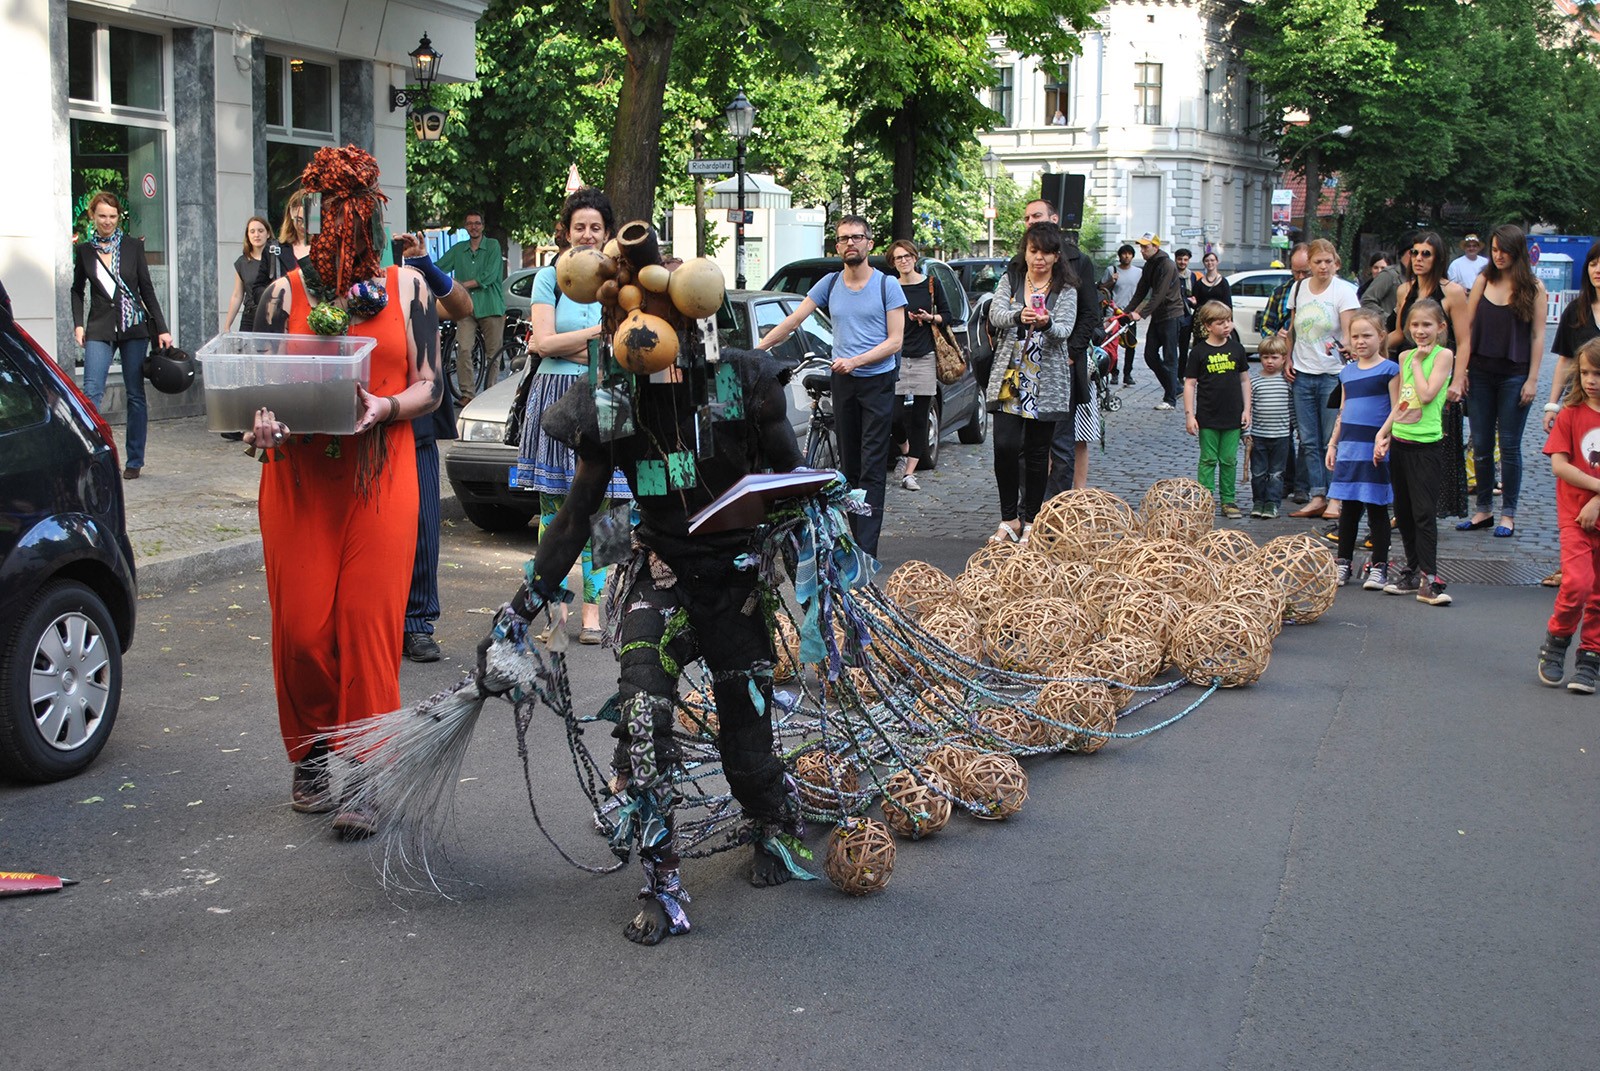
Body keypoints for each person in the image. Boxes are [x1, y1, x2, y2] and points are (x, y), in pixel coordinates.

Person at [498, 342, 811, 944]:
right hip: (660, 571)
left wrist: (793, 530)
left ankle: (773, 816)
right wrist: (520, 610)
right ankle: (661, 879)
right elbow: (575, 517)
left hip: (733, 578)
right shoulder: (615, 395)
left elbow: (793, 480)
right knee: (642, 715)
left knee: (746, 746)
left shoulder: (742, 381)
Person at [246, 145, 443, 835]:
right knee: (303, 630)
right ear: (319, 216)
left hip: (379, 475)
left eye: (358, 212)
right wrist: (257, 427)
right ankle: (311, 752)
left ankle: (364, 770)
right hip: (300, 481)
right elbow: (248, 394)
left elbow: (430, 383)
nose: (347, 226)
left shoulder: (408, 288)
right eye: (336, 213)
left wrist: (386, 408)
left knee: (366, 628)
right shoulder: (279, 294)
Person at [513, 188, 632, 644]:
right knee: (555, 504)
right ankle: (555, 610)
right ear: (566, 231)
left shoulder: (622, 279)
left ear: (607, 233)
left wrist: (581, 343)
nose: (586, 234)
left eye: (595, 228)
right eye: (579, 226)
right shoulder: (549, 277)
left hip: (609, 392)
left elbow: (630, 341)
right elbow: (543, 343)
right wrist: (601, 334)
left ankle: (596, 612)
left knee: (612, 508)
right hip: (558, 393)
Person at [757, 215, 905, 557]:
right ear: (837, 246)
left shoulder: (887, 286)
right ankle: (850, 540)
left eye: (856, 237)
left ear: (869, 242)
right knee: (849, 464)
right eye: (843, 239)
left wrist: (856, 360)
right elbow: (794, 320)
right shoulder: (830, 283)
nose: (850, 243)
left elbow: (895, 342)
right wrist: (757, 350)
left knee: (871, 464)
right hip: (844, 382)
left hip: (876, 381)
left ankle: (866, 548)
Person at [399, 234, 474, 663]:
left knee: (424, 522)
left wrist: (424, 264)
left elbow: (462, 307)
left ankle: (417, 622)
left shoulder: (411, 280)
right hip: (365, 421)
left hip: (417, 420)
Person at [70, 190, 173, 480]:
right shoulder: (85, 251)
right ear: (93, 215)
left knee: (135, 394)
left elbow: (146, 289)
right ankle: (92, 453)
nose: (107, 221)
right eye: (102, 215)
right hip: (100, 327)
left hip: (134, 327)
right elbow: (77, 290)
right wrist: (78, 324)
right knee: (91, 393)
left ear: (119, 217)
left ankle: (135, 459)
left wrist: (162, 328)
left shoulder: (131, 247)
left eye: (112, 216)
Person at [986, 221, 1077, 542]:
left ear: (1056, 257)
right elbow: (995, 315)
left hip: (1046, 381)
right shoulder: (1010, 281)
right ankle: (1009, 518)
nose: (1039, 258)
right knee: (1005, 447)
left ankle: (1032, 520)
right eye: (1033, 251)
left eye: (1046, 253)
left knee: (1039, 454)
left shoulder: (1065, 290)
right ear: (1025, 252)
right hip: (1010, 377)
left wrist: (1047, 322)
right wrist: (1017, 315)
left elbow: (1065, 329)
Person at [1456, 224, 1547, 538]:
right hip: (1480, 372)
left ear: (1517, 252)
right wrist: (1462, 371)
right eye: (1493, 250)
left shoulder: (1533, 287)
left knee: (1509, 446)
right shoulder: (1484, 278)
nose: (1498, 256)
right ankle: (1483, 510)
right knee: (1480, 444)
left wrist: (1533, 379)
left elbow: (1537, 337)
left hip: (1514, 374)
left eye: (1503, 250)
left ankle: (1508, 514)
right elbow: (1466, 330)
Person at [1012, 198, 1099, 497]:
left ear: (1054, 218)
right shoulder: (1018, 261)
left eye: (1037, 216)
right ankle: (1029, 508)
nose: (1031, 222)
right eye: (1027, 218)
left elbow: (1090, 315)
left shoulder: (1078, 261)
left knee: (1061, 443)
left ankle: (1056, 510)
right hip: (1024, 366)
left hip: (1062, 365)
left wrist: (1072, 355)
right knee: (1023, 444)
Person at [1374, 299, 1455, 606]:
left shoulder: (1442, 355)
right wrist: (1384, 433)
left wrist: (1420, 363)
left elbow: (1427, 393)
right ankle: (1411, 569)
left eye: (1427, 325)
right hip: (1402, 441)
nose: (1420, 331)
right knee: (1404, 512)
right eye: (1415, 325)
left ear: (1440, 328)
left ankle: (1430, 576)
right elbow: (1405, 401)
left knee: (1424, 513)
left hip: (1426, 445)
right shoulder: (1405, 355)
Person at [1390, 230, 1473, 521]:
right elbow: (1400, 334)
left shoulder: (1452, 291)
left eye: (1426, 253)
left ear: (1437, 257)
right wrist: (1365, 346)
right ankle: (1406, 509)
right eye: (1415, 253)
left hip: (1439, 371)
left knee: (1439, 445)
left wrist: (1459, 378)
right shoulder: (1405, 291)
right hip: (1409, 370)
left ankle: (1428, 510)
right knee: (1404, 438)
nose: (1419, 259)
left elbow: (1463, 340)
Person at [1538, 338, 1600, 691]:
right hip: (1575, 516)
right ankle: (1557, 639)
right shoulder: (1571, 415)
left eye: (1599, 373)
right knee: (1577, 583)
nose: (1591, 380)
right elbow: (1560, 467)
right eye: (1586, 372)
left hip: (1593, 508)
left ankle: (1591, 655)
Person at [1285, 239, 1359, 520]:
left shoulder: (1344, 291)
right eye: (1318, 262)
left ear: (1335, 262)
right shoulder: (1299, 288)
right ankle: (1317, 494)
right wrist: (1288, 357)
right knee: (1308, 439)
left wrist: (1348, 347)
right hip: (1303, 372)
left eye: (1328, 261)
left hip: (1333, 374)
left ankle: (1335, 497)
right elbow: (1292, 326)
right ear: (1309, 264)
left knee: (1331, 439)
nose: (1323, 266)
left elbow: (1351, 332)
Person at [1325, 309, 1398, 589]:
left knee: (1377, 507)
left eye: (1367, 335)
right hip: (1349, 449)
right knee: (1349, 508)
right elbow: (1343, 410)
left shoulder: (1390, 370)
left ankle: (1379, 564)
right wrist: (1333, 443)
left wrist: (1385, 438)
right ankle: (1343, 562)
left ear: (1381, 336)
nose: (1360, 341)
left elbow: (1395, 408)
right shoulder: (1347, 372)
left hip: (1374, 449)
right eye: (1355, 336)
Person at [888, 239, 951, 492]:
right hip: (897, 357)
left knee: (920, 416)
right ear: (893, 263)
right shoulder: (890, 287)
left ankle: (909, 473)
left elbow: (948, 315)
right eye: (897, 258)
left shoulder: (930, 284)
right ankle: (905, 451)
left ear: (915, 258)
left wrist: (929, 317)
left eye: (906, 256)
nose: (903, 261)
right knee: (893, 415)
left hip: (925, 355)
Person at [1183, 301, 1251, 519]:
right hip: (1208, 415)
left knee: (1229, 459)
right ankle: (1206, 498)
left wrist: (1247, 409)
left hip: (1232, 415)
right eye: (1221, 323)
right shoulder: (1199, 352)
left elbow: (1244, 380)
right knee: (1208, 459)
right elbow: (1190, 384)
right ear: (1207, 325)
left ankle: (1229, 500)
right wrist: (1189, 415)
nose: (1227, 326)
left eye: (1229, 321)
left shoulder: (1237, 349)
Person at [435, 210, 505, 404]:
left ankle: (491, 394)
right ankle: (467, 394)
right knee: (463, 349)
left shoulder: (493, 245)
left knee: (494, 354)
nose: (473, 226)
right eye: (469, 223)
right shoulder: (459, 249)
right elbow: (439, 267)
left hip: (490, 305)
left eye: (477, 223)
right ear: (465, 227)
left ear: (482, 226)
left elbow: (489, 276)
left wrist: (459, 285)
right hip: (465, 307)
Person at [1263, 243, 1311, 503]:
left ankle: (1303, 485)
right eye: (1296, 272)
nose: (1300, 278)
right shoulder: (1281, 292)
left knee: (1306, 431)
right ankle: (1287, 479)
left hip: (1310, 367)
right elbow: (1266, 327)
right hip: (1283, 369)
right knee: (1283, 429)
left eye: (1305, 273)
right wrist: (1275, 337)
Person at [1126, 233, 1185, 410]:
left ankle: (1170, 398)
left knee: (1170, 358)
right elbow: (1141, 289)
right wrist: (1127, 310)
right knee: (1150, 356)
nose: (1142, 250)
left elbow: (1159, 294)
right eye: (1141, 247)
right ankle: (1175, 387)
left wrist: (1141, 314)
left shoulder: (1167, 264)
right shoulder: (1149, 265)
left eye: (1146, 247)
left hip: (1171, 315)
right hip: (1158, 316)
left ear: (1156, 247)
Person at [1249, 335, 1293, 518]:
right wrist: (1246, 431)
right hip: (1258, 434)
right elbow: (1249, 409)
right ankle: (1258, 501)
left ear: (1283, 359)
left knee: (1276, 473)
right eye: (1265, 357)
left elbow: (1292, 408)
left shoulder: (1287, 382)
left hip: (1281, 435)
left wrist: (1296, 428)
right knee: (1258, 472)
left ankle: (1272, 503)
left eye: (1274, 357)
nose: (1269, 361)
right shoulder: (1254, 382)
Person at [251, 190, 310, 320]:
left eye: (308, 219)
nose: (303, 225)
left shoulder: (328, 250)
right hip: (285, 323)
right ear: (290, 217)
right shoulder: (274, 249)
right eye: (299, 220)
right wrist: (277, 298)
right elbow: (257, 290)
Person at [223, 216, 271, 332]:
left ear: (268, 234)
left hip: (274, 316)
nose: (256, 235)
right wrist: (227, 326)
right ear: (248, 236)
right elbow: (237, 295)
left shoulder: (277, 259)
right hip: (250, 317)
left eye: (260, 231)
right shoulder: (242, 262)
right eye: (252, 231)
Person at [1101, 244, 1142, 383]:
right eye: (1124, 253)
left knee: (1131, 344)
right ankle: (1114, 372)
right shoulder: (1111, 270)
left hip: (1130, 313)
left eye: (1129, 254)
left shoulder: (1138, 272)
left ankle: (1127, 374)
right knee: (1112, 344)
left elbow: (1142, 292)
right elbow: (1101, 289)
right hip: (1113, 313)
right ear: (1119, 256)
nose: (1126, 256)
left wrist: (1139, 310)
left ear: (1133, 256)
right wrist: (1110, 281)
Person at [1190, 251, 1233, 347]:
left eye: (1212, 260)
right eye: (1207, 261)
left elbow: (1228, 305)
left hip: (1219, 320)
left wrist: (1229, 323)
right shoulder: (1199, 283)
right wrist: (1193, 303)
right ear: (1204, 263)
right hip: (1203, 322)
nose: (1210, 263)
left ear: (1217, 262)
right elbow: (1196, 303)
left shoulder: (1223, 282)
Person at [1174, 247, 1196, 353]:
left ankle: (1182, 369)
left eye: (1185, 260)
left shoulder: (1192, 276)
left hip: (1187, 317)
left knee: (1184, 349)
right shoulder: (1171, 274)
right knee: (1171, 347)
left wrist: (1193, 301)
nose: (1182, 262)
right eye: (1180, 259)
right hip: (1172, 315)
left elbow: (1195, 296)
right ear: (1175, 259)